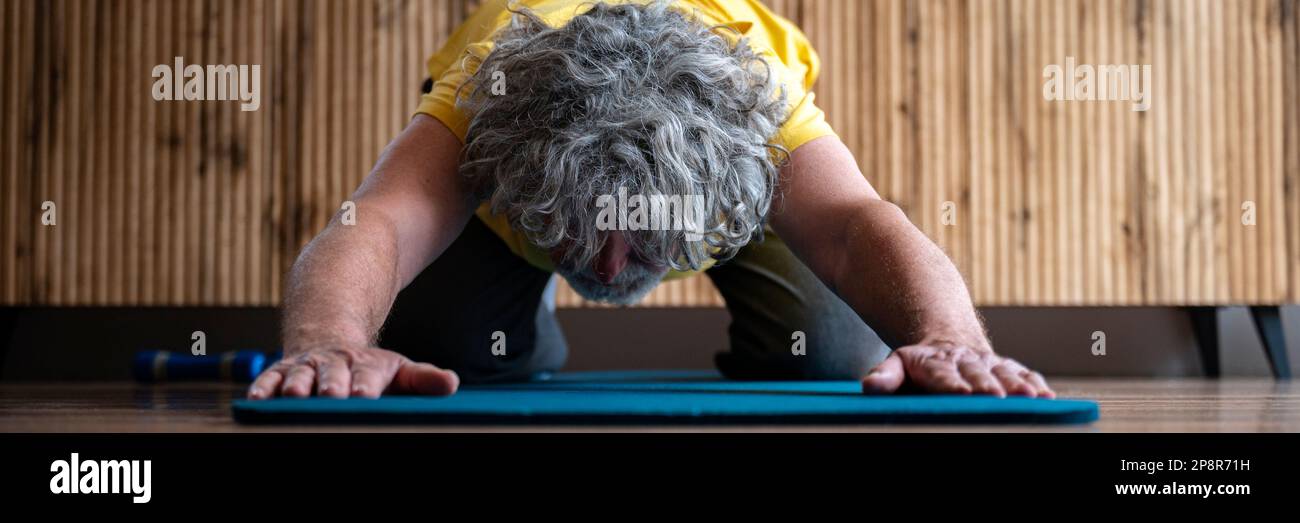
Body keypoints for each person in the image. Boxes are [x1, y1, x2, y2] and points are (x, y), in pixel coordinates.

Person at [247, 0, 1054, 400]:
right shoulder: (484, 98)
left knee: (835, 357)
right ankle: (526, 327)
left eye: (640, 237)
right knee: (455, 354)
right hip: (519, 202)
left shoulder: (755, 103)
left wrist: (949, 336)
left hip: (707, 181)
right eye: (586, 233)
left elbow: (854, 226)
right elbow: (376, 221)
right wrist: (331, 339)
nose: (608, 266)